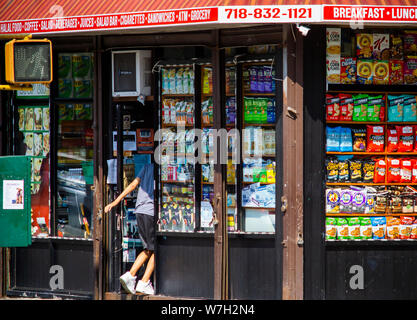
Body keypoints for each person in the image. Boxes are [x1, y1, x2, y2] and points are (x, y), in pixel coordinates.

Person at [104, 163, 155, 295]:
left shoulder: (146, 166)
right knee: (156, 250)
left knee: (148, 249)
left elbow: (133, 185)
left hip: (140, 211)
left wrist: (116, 201)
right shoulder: (160, 169)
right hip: (151, 211)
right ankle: (142, 280)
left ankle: (131, 277)